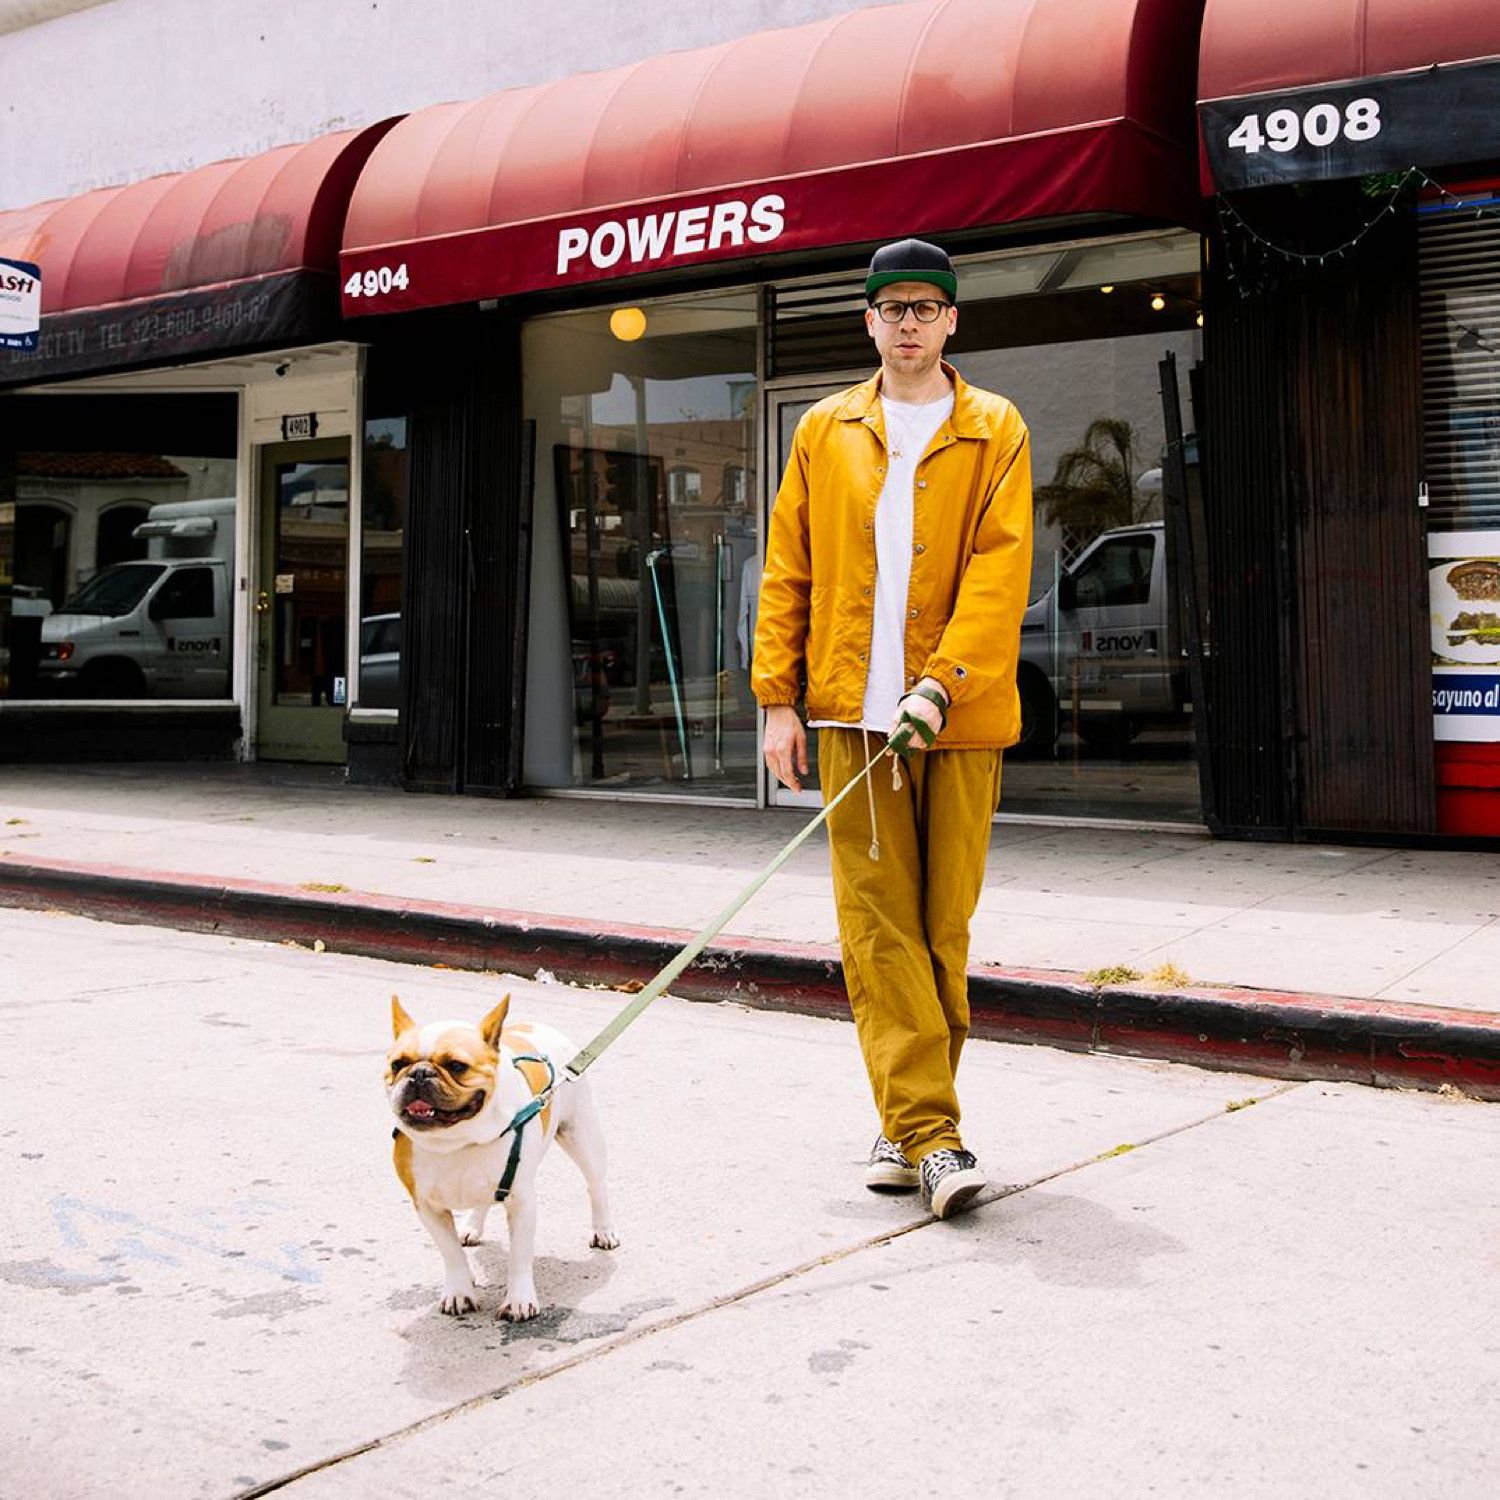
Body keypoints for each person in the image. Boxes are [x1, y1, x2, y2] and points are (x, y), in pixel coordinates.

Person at [752, 238, 1033, 1220]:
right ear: (867, 322)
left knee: (940, 929)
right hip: (848, 722)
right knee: (878, 932)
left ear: (952, 320)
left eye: (926, 306)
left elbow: (1001, 574)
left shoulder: (995, 427)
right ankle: (931, 1135)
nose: (908, 321)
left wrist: (940, 684)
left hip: (955, 727)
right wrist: (776, 698)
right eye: (891, 307)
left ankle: (905, 1121)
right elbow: (787, 565)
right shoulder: (825, 430)